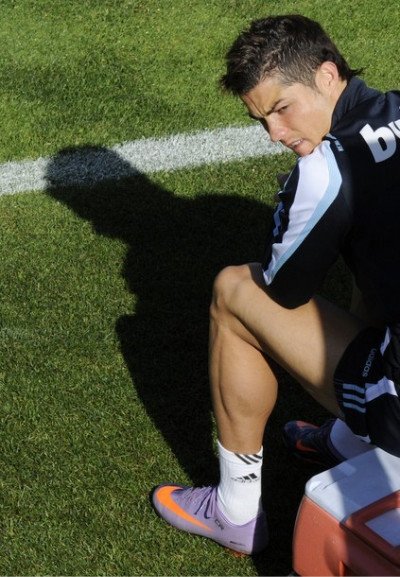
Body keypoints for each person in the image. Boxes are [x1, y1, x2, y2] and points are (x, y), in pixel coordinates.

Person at [151, 14, 400, 555]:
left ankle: (234, 511)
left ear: (328, 76)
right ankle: (351, 441)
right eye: (261, 120)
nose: (276, 135)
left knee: (235, 292)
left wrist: (295, 200)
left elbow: (284, 290)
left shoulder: (327, 167)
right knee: (374, 255)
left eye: (282, 109)